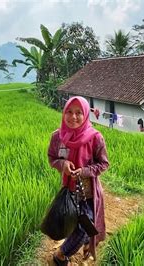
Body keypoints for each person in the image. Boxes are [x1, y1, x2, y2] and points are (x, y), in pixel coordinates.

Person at [47, 96, 109, 265]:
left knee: (84, 227)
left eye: (78, 113)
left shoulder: (95, 137)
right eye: (69, 111)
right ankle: (79, 244)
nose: (73, 117)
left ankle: (61, 254)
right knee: (72, 222)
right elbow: (52, 158)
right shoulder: (57, 137)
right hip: (69, 190)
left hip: (88, 192)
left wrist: (84, 171)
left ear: (85, 115)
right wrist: (62, 164)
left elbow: (104, 164)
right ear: (63, 112)